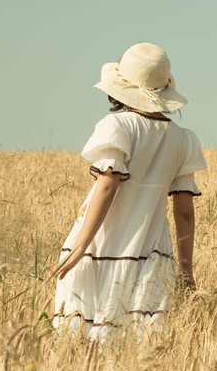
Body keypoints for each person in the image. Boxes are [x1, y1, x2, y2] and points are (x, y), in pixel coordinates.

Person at [46, 42, 206, 341]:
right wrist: (186, 272)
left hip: (101, 247)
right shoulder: (183, 140)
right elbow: (184, 211)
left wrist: (80, 248)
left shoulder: (117, 126)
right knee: (136, 341)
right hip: (151, 254)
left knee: (78, 339)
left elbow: (107, 185)